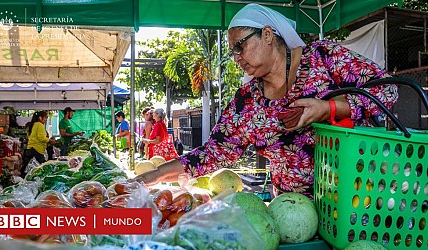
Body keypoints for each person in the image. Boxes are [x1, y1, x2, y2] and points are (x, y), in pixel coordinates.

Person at [135, 4, 398, 197]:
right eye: (232, 51)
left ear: (268, 35)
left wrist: (329, 108)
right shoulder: (246, 103)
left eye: (240, 46)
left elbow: (388, 91)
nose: (236, 57)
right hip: (293, 209)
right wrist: (154, 176)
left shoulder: (323, 58)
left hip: (358, 194)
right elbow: (213, 152)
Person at [21, 111, 56, 177]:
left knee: (29, 171)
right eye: (45, 117)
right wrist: (50, 140)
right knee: (36, 172)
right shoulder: (39, 125)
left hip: (30, 149)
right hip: (36, 150)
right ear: (40, 118)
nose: (46, 119)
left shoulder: (33, 124)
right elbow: (41, 138)